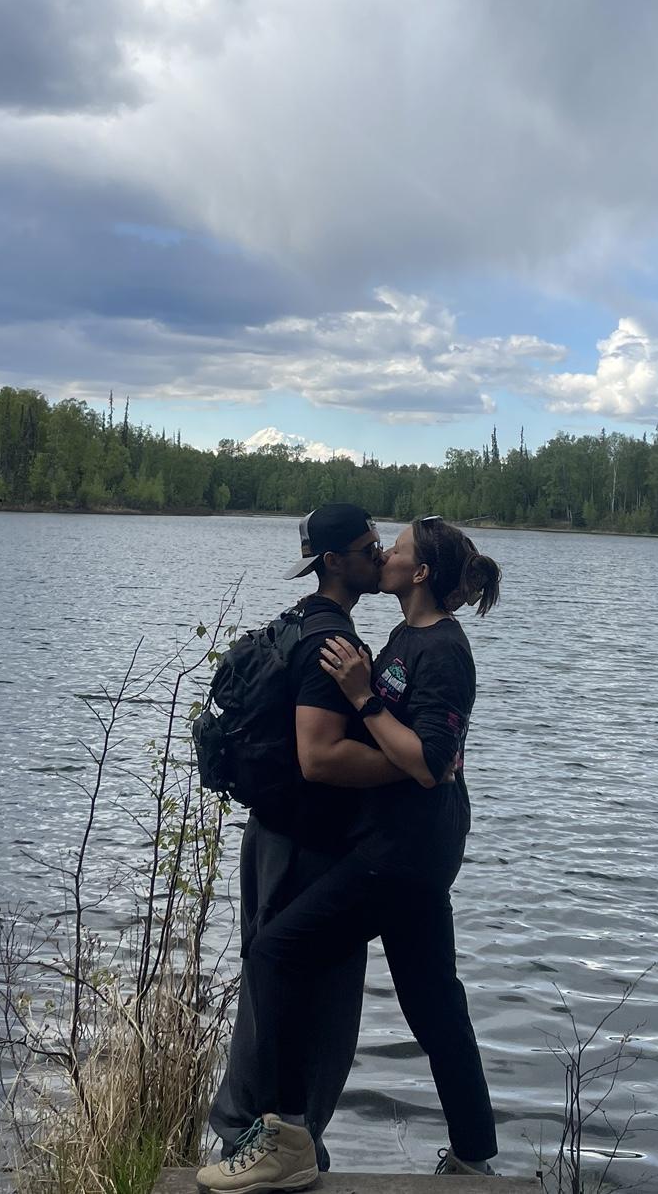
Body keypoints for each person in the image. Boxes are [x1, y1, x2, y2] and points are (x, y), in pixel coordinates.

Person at [198, 516, 502, 1193]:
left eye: (393, 549)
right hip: (397, 843)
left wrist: (363, 696)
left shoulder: (444, 650)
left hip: (405, 852)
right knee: (432, 1002)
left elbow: (428, 761)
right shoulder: (402, 636)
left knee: (277, 952)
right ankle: (474, 1156)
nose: (383, 554)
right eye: (376, 547)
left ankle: (286, 1140)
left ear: (419, 572)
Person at [208, 503, 410, 1174]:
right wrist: (415, 768)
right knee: (319, 1005)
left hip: (273, 836)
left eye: (381, 542)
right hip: (310, 848)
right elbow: (319, 758)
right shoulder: (333, 643)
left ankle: (254, 1140)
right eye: (368, 546)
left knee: (272, 991)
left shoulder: (297, 621)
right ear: (334, 562)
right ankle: (287, 1149)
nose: (381, 555)